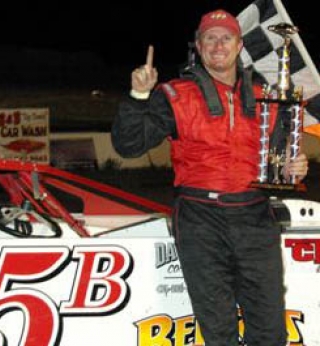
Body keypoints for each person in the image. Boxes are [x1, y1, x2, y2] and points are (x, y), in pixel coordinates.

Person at [111, 9, 309, 346]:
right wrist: (139, 95)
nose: (218, 45)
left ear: (239, 45)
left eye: (225, 37)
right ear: (199, 46)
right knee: (218, 332)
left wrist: (294, 169)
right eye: (210, 38)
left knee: (270, 331)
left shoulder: (269, 95)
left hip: (255, 216)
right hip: (200, 218)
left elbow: (278, 166)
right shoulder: (175, 94)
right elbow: (128, 146)